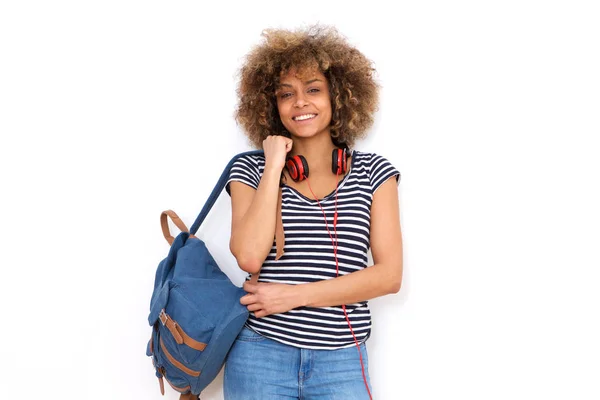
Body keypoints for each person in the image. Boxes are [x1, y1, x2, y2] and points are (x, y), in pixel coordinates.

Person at [224, 25, 403, 400]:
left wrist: (292, 296)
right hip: (260, 352)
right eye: (286, 94)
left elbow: (389, 276)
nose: (300, 102)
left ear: (338, 95)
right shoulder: (250, 169)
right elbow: (249, 255)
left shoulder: (373, 172)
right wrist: (273, 165)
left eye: (313, 89)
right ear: (271, 105)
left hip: (341, 360)